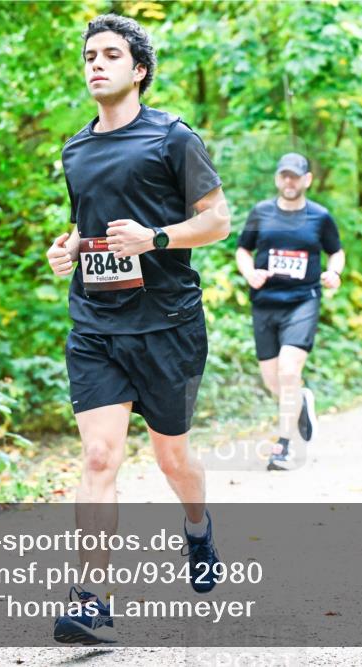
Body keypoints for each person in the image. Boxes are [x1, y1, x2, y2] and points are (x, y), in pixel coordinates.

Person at [46, 14, 231, 645]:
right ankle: (91, 599)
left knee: (172, 457)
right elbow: (84, 221)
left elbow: (218, 222)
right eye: (89, 55)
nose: (96, 64)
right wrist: (68, 248)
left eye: (110, 55)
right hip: (96, 321)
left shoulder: (173, 139)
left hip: (168, 324)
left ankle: (199, 526)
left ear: (138, 70)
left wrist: (156, 238)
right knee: (99, 455)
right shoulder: (75, 148)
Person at [236, 152, 345, 471]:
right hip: (265, 303)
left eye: (295, 176)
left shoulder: (320, 217)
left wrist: (333, 273)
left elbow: (336, 252)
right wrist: (248, 273)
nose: (289, 181)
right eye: (284, 175)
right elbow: (243, 250)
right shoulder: (261, 213)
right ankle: (302, 402)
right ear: (277, 179)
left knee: (287, 372)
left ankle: (284, 447)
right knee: (273, 381)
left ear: (306, 180)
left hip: (303, 301)